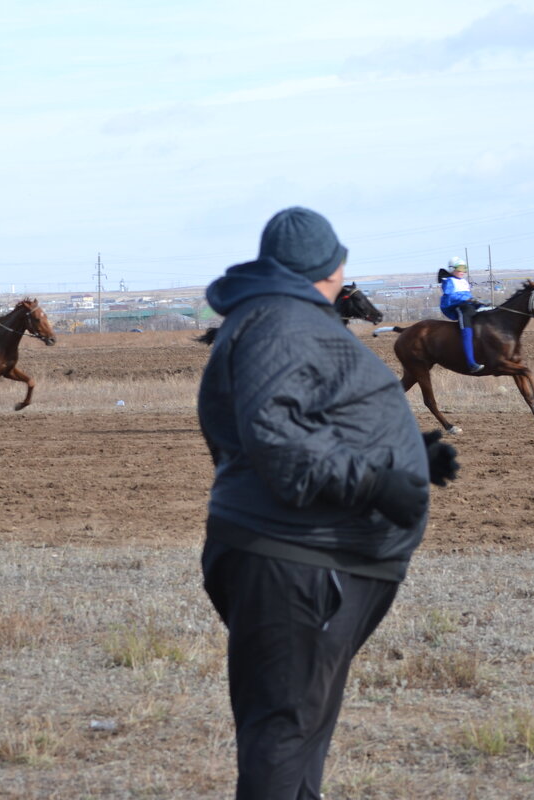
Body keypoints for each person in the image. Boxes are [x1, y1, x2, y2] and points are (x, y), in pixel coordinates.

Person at [198, 207, 459, 800]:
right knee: (285, 730)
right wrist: (377, 479)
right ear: (330, 266)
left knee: (300, 728)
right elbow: (279, 445)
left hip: (312, 560)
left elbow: (288, 422)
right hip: (300, 563)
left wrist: (405, 455)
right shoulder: (281, 325)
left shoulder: (279, 319)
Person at [438, 256, 486, 372]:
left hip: (468, 307)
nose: (462, 271)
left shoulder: (464, 282)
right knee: (467, 332)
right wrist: (468, 300)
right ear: (451, 269)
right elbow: (451, 297)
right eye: (460, 268)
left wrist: (477, 302)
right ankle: (471, 363)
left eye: (465, 268)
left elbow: (467, 297)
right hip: (458, 308)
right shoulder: (448, 281)